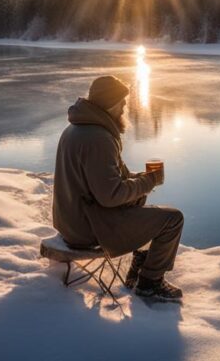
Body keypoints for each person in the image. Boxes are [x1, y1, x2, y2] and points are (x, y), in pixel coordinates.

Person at [52, 75, 184, 301]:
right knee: (172, 220)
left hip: (72, 220)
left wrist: (140, 180)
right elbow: (111, 196)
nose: (124, 108)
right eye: (121, 103)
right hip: (87, 229)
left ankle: (139, 266)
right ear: (110, 104)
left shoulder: (77, 129)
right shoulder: (98, 139)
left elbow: (108, 181)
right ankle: (150, 283)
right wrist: (150, 181)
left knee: (139, 200)